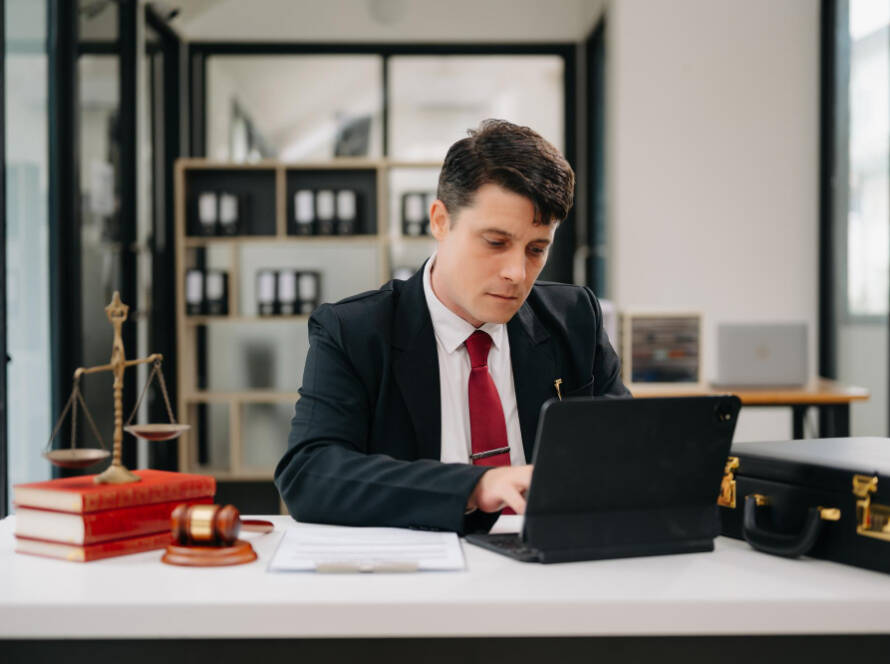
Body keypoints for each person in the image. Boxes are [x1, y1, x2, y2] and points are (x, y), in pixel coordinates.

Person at [274, 119, 629, 534]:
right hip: (416, 579)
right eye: (495, 243)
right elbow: (309, 474)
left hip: (550, 569)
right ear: (440, 221)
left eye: (536, 250)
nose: (516, 272)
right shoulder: (355, 331)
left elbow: (623, 450)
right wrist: (475, 487)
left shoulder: (575, 318)